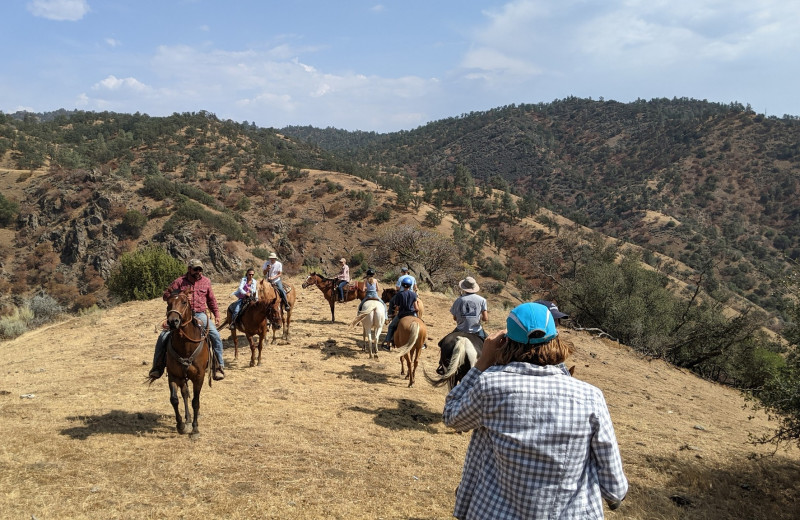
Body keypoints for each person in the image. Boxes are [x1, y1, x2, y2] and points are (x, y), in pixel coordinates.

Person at [443, 302, 628, 519]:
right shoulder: (590, 397)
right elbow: (614, 488)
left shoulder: (490, 386)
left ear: (507, 342)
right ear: (556, 340)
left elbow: (451, 415)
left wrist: (483, 361)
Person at [149, 259, 226, 381]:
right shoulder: (179, 282)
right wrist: (180, 294)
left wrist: (216, 314)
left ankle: (218, 367)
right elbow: (166, 296)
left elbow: (211, 300)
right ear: (189, 269)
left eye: (200, 269)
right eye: (195, 269)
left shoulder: (206, 282)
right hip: (181, 315)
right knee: (163, 336)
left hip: (200, 314)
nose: (198, 272)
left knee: (215, 335)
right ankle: (157, 367)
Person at [382, 276, 419, 350]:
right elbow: (417, 308)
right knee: (421, 325)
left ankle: (388, 344)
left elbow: (397, 307)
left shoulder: (399, 294)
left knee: (391, 326)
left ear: (402, 285)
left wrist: (395, 312)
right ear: (410, 285)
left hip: (402, 314)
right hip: (412, 314)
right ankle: (423, 343)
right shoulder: (414, 295)